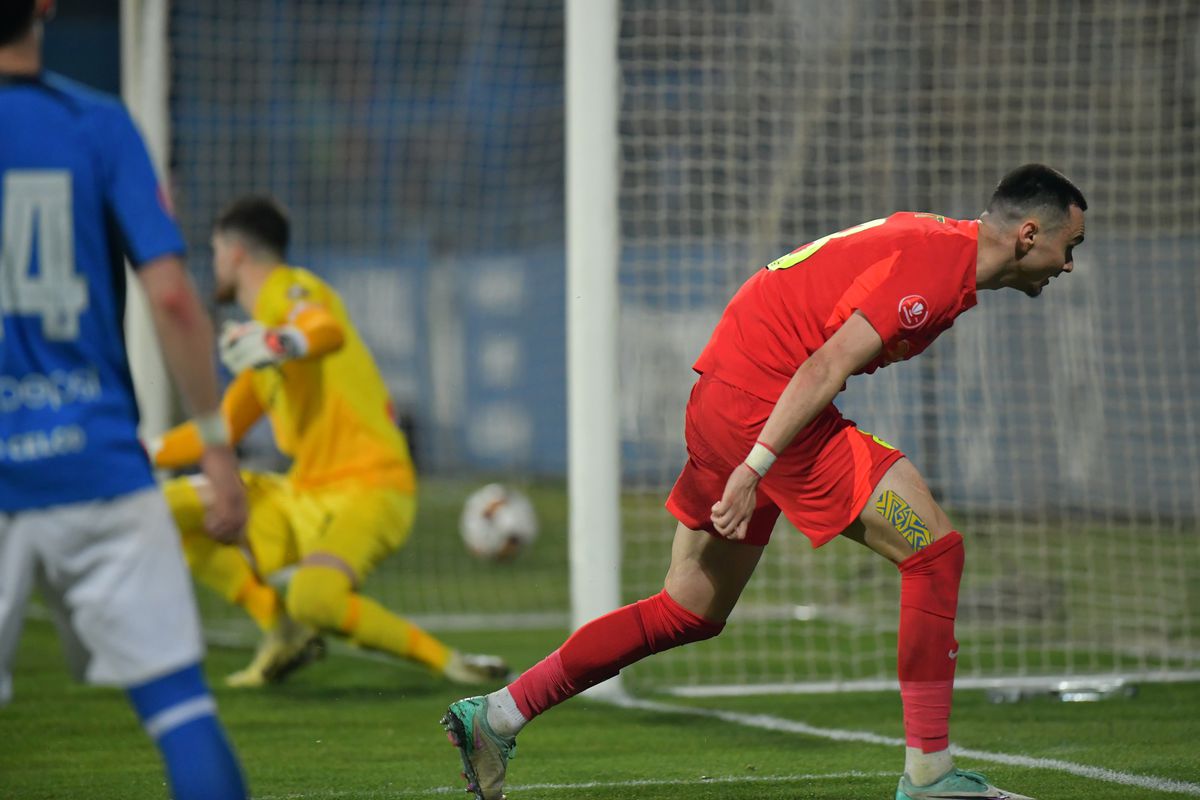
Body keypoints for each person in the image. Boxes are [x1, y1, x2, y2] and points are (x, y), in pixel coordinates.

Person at [441, 164, 1087, 800]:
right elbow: (827, 363)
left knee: (686, 610)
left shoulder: (934, 240)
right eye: (1069, 246)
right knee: (935, 554)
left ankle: (497, 716)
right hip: (766, 403)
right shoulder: (938, 271)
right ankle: (930, 777)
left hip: (723, 392)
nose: (1068, 265)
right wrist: (755, 467)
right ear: (1029, 234)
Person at [0, 2, 250, 799]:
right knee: (182, 713)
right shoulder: (96, 124)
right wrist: (215, 445)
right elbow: (174, 299)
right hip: (97, 462)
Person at [149, 194, 510, 688]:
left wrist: (281, 342)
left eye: (214, 253)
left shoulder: (289, 290)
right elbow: (222, 432)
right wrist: (139, 452)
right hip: (304, 494)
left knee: (315, 598)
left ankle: (450, 662)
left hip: (372, 487)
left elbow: (325, 330)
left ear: (233, 253)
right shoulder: (261, 342)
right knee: (161, 508)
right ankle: (280, 629)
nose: (213, 265)